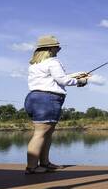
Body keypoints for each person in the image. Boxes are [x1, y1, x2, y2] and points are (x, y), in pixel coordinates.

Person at [23, 35, 89, 174]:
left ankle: (45, 163)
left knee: (47, 133)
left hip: (34, 98)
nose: (59, 48)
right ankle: (32, 167)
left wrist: (75, 75)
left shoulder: (35, 64)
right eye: (57, 46)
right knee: (40, 134)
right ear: (50, 48)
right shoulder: (53, 62)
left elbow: (56, 79)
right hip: (48, 100)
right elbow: (62, 80)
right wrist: (80, 82)